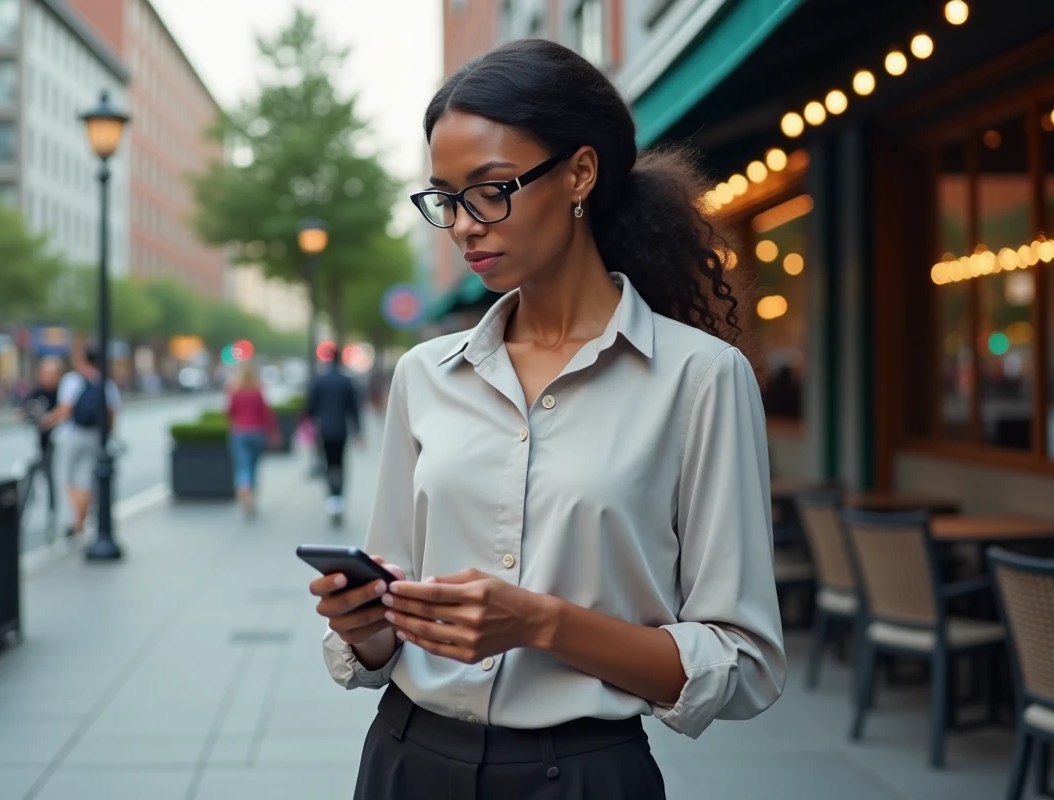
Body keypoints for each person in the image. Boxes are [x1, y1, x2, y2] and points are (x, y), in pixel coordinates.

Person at [309, 39, 785, 800]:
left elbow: (744, 663)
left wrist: (540, 623)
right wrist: (362, 623)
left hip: (587, 776)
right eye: (446, 198)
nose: (464, 224)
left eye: (491, 190)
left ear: (580, 174)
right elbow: (389, 618)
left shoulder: (699, 378)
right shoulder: (425, 376)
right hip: (406, 760)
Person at [44, 344, 121, 539]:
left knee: (68, 478)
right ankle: (80, 521)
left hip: (73, 435)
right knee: (87, 480)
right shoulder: (106, 382)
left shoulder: (72, 380)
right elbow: (112, 413)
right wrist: (107, 435)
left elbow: (65, 409)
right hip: (95, 435)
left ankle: (78, 520)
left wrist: (47, 420)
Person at [304, 346, 362, 524]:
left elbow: (310, 407)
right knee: (340, 464)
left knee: (328, 464)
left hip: (324, 430)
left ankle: (331, 499)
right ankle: (338, 499)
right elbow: (354, 408)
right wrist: (358, 431)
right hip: (341, 429)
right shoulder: (346, 381)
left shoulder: (319, 380)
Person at [225, 363, 278, 516]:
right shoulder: (258, 391)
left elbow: (230, 412)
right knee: (254, 466)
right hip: (257, 432)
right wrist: (273, 432)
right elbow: (266, 413)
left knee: (242, 464)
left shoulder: (234, 391)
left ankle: (244, 487)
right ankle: (252, 495)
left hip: (240, 431)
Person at [19, 357, 63, 520]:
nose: (49, 377)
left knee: (52, 477)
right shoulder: (36, 392)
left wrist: (52, 419)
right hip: (40, 442)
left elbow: (66, 411)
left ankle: (53, 512)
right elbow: (22, 409)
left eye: (53, 374)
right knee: (32, 473)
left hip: (58, 443)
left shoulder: (62, 391)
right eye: (46, 373)